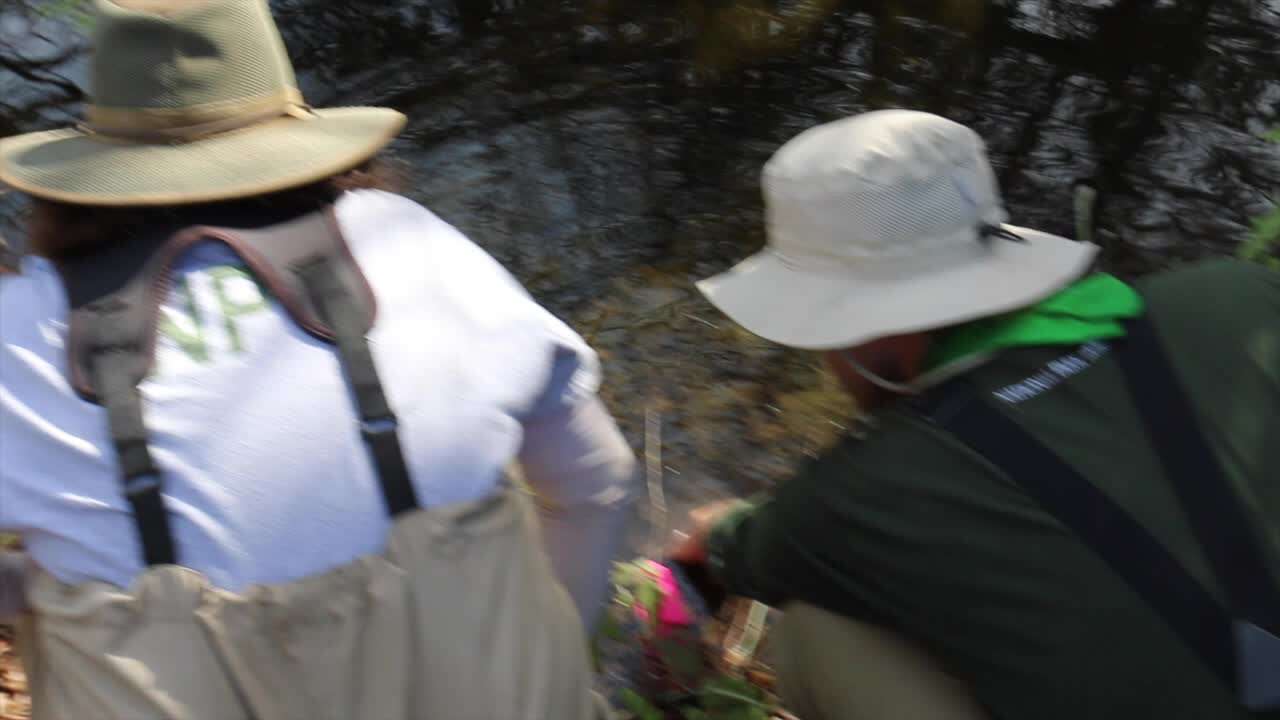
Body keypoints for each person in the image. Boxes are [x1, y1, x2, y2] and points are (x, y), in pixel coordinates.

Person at [0, 1, 634, 718]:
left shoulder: (18, 332)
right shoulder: (411, 246)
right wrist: (553, 656)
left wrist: (47, 583)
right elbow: (597, 480)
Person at [671, 110, 1280, 719]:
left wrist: (714, 535)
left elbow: (737, 551)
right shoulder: (1236, 295)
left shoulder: (861, 490)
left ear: (863, 333)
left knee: (816, 628)